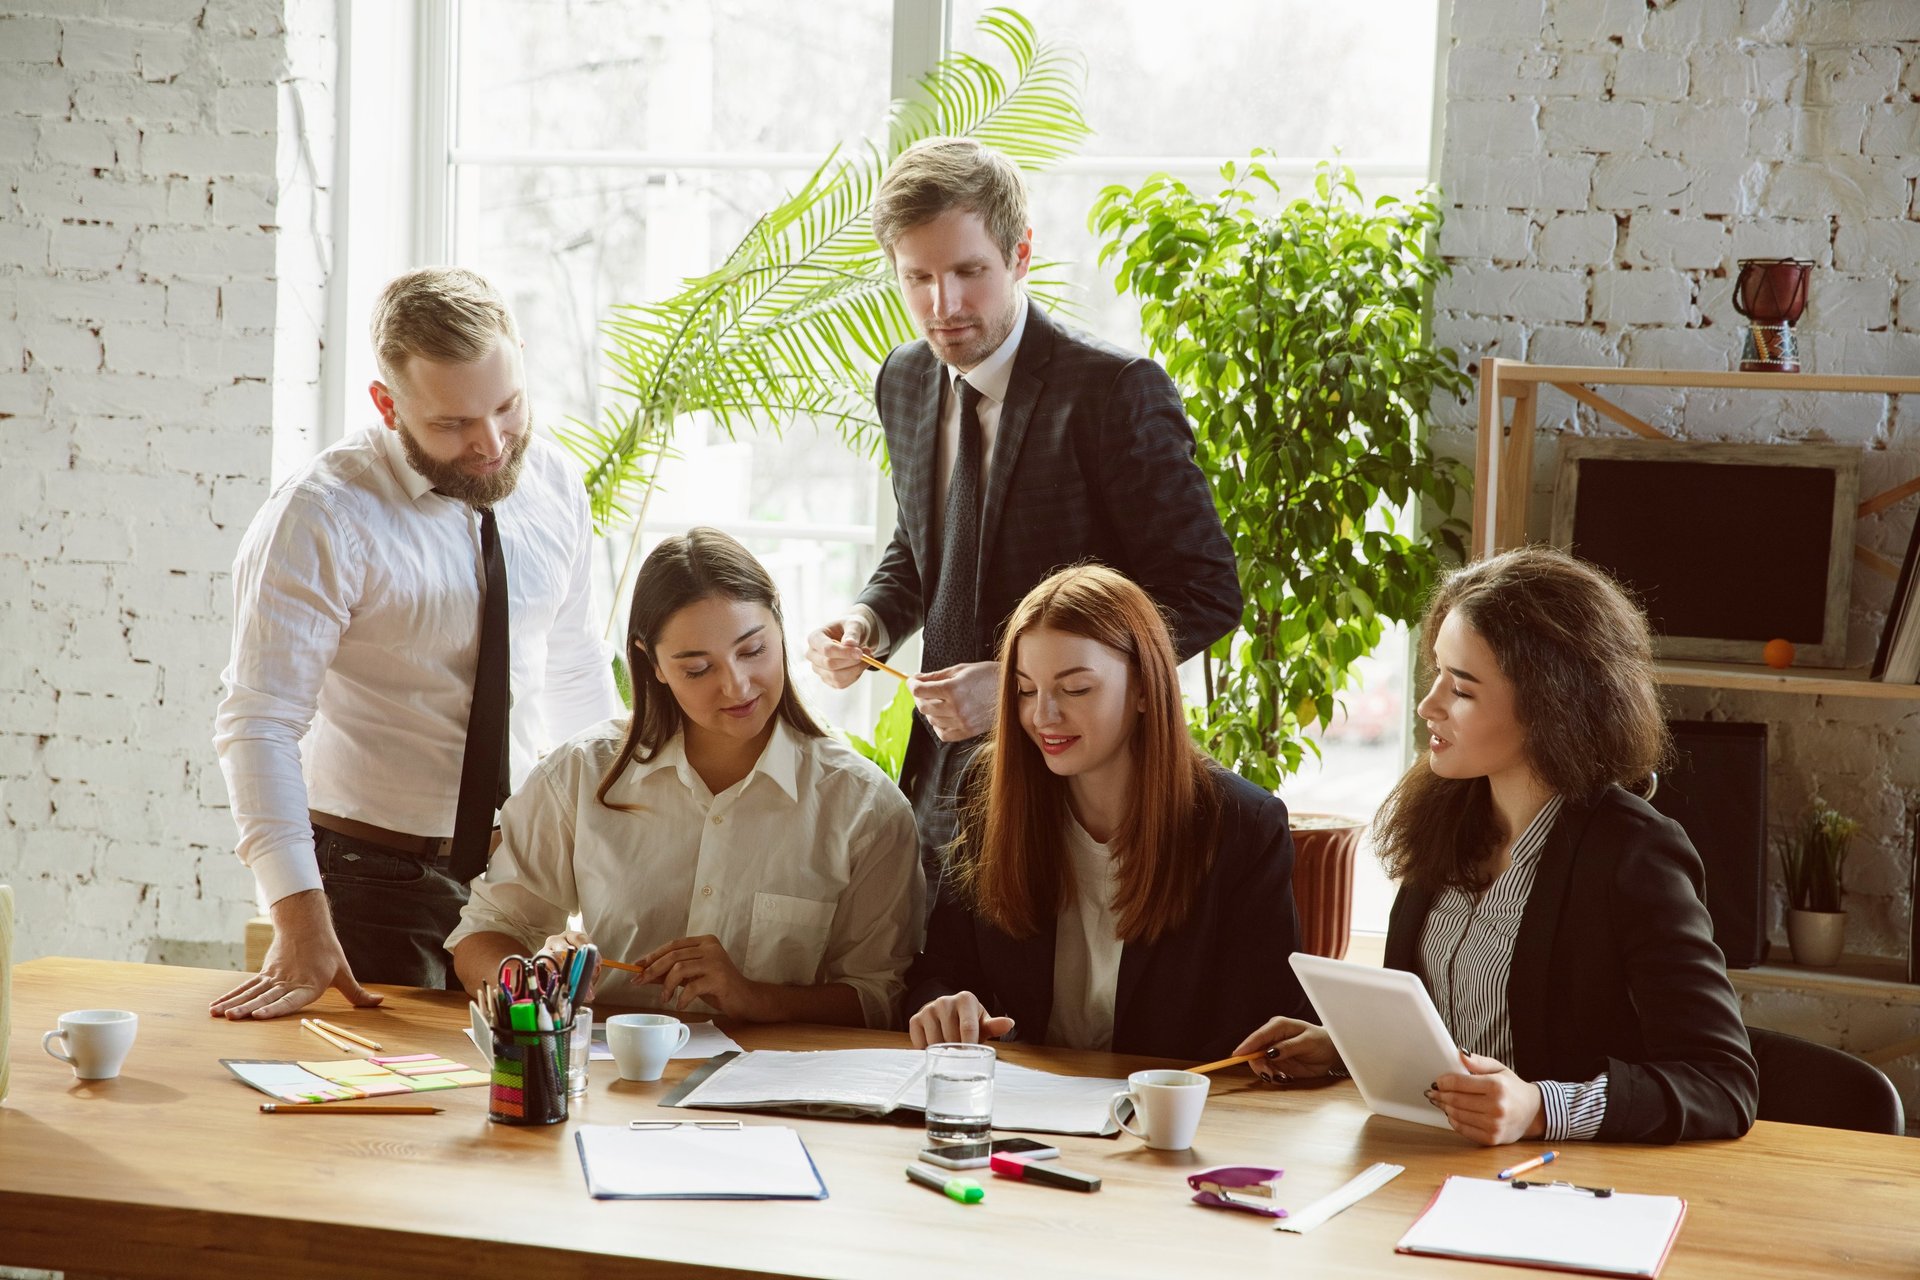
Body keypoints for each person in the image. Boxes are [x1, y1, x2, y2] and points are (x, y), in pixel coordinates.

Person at [805, 138, 1240, 898]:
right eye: (919, 278)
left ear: (1020, 255)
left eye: (969, 272)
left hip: (1076, 790)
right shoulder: (905, 380)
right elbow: (924, 547)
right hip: (936, 775)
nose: (943, 306)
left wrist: (1017, 685)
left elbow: (1205, 594)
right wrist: (869, 620)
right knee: (933, 998)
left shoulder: (1114, 393)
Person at [1234, 547, 1758, 1145]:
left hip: (1558, 1195)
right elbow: (1448, 1034)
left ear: (1549, 710)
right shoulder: (1443, 815)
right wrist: (1344, 1046)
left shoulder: (1636, 854)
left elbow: (1721, 1084)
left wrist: (1539, 1107)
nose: (1427, 704)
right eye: (1436, 673)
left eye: (1461, 688)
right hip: (1430, 1162)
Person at [211, 268, 622, 1020]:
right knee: (379, 1128)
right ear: (386, 403)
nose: (492, 444)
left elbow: (573, 668)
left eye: (507, 406)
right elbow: (259, 723)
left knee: (523, 1111)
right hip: (368, 885)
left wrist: (609, 865)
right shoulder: (321, 516)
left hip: (517, 884)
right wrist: (298, 916)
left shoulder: (556, 481)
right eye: (453, 424)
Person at [446, 528, 923, 1029]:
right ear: (653, 665)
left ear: (781, 630)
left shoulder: (865, 809)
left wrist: (754, 998)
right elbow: (488, 931)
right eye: (697, 669)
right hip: (611, 1085)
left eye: (754, 650)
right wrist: (535, 988)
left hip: (774, 1092)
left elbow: (878, 995)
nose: (736, 685)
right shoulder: (582, 774)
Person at [903, 565, 1308, 1061]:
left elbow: (1261, 1028)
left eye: (1075, 689)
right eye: (1026, 690)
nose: (1043, 716)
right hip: (1025, 1105)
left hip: (1167, 1119)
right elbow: (940, 971)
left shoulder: (1243, 824)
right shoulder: (988, 793)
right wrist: (944, 1005)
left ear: (1143, 688)